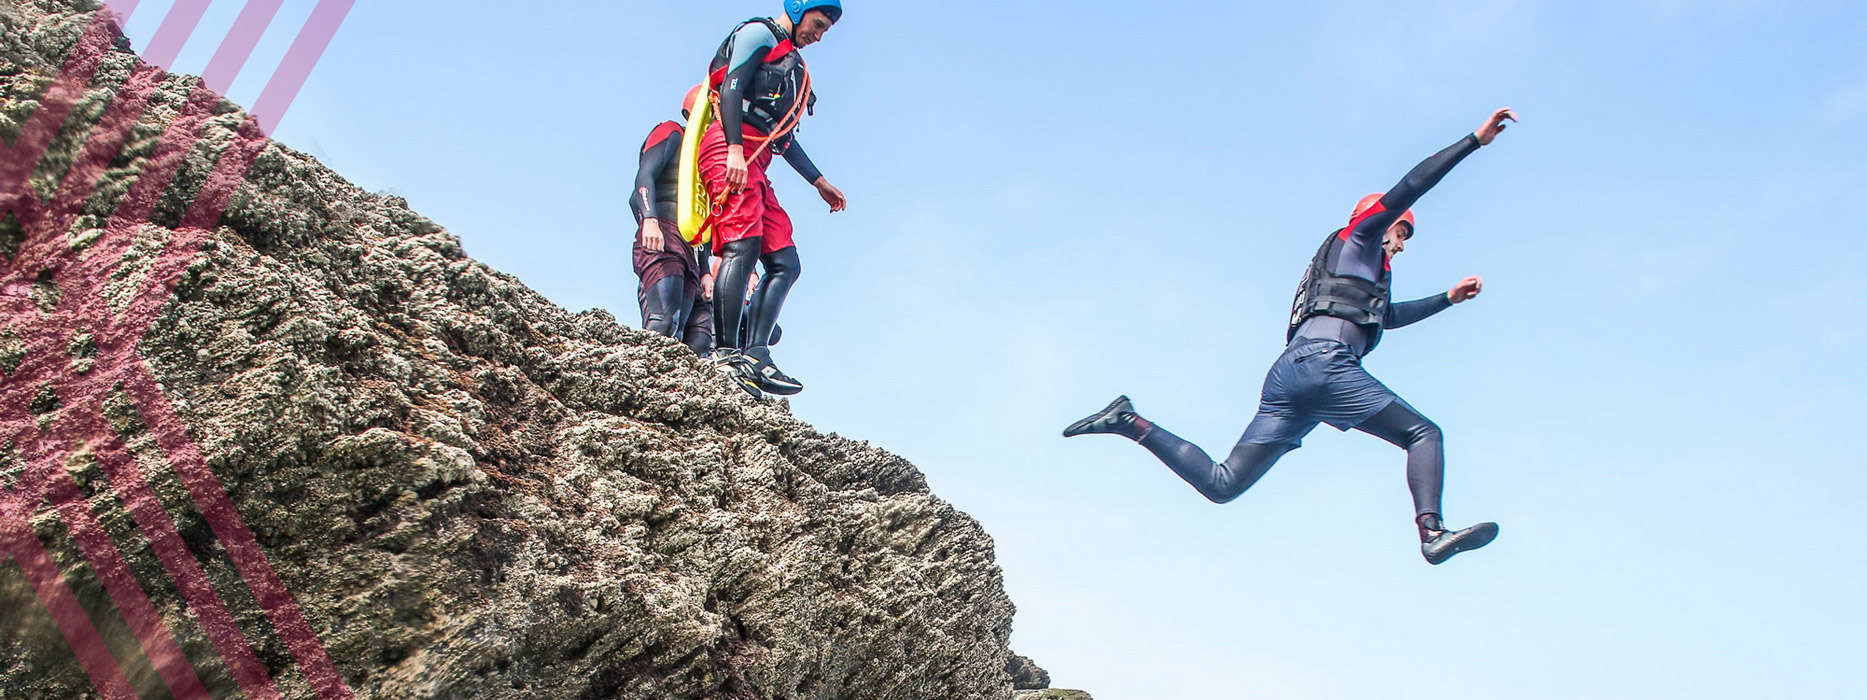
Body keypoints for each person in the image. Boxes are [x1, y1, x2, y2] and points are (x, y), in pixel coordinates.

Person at [1064, 108, 1520, 566]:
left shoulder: (1358, 274)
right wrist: (1474, 141)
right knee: (1424, 434)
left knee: (1224, 484)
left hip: (1289, 379)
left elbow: (1388, 317)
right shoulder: (1358, 236)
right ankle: (1432, 533)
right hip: (1324, 364)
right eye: (1400, 231)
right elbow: (1412, 185)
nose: (1400, 244)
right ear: (1378, 220)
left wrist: (1448, 298)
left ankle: (1130, 422)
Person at [700, 0, 848, 398]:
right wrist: (733, 149)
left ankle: (757, 355)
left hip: (758, 163)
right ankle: (726, 355)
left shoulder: (795, 66)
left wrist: (819, 182)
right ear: (799, 9)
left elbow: (783, 138)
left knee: (786, 262)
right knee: (741, 248)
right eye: (817, 25)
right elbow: (731, 88)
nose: (817, 36)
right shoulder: (758, 34)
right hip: (729, 150)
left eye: (824, 32)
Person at [631, 86, 714, 357]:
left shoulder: (705, 161)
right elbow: (644, 179)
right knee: (664, 321)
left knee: (687, 338)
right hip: (663, 230)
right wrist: (650, 220)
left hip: (691, 247)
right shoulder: (671, 131)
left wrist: (704, 270)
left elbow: (703, 217)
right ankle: (640, 379)